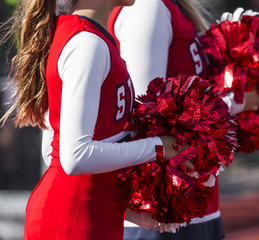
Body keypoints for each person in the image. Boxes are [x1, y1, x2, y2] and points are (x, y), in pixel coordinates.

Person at [0, 0, 188, 239]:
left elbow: (53, 149)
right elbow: (73, 157)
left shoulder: (90, 37)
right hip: (72, 218)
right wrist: (159, 146)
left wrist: (126, 208)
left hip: (90, 211)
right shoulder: (87, 44)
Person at [108, 1, 259, 239]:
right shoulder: (148, 8)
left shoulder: (173, 8)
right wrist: (235, 103)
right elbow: (143, 114)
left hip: (196, 204)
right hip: (160, 211)